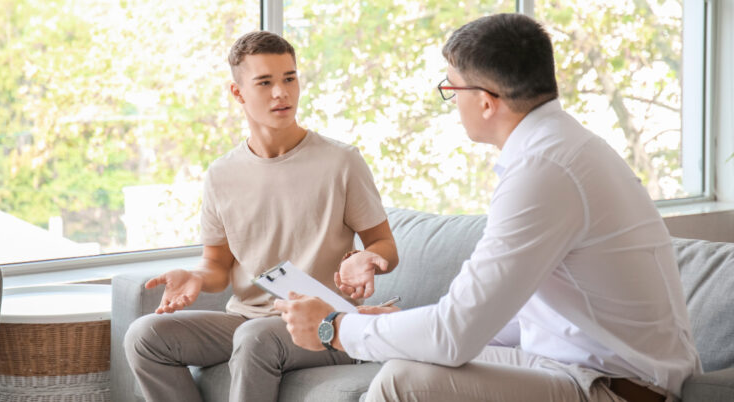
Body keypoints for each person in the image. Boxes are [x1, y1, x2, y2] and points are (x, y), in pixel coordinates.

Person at [276, 13, 701, 402]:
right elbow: (506, 321)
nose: (452, 100)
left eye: (451, 87)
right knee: (410, 358)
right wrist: (398, 327)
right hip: (583, 367)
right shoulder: (563, 149)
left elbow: (452, 336)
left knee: (403, 381)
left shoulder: (543, 172)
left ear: (484, 100)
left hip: (622, 390)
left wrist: (334, 328)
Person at [123, 30, 398, 402]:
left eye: (289, 78)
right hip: (246, 318)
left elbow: (385, 247)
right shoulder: (222, 175)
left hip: (322, 321)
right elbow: (217, 267)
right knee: (145, 336)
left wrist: (367, 259)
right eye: (265, 82)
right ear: (238, 93)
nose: (281, 93)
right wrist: (195, 277)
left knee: (255, 339)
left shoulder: (341, 162)